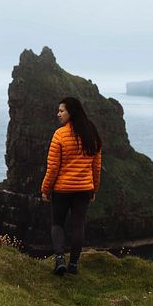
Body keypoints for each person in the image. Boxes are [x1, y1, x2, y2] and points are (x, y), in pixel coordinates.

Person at [41, 96, 102, 276]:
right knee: (78, 226)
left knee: (57, 224)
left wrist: (45, 189)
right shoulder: (91, 133)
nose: (57, 114)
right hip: (84, 189)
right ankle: (73, 264)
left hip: (62, 189)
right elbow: (96, 167)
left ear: (71, 112)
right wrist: (94, 189)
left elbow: (53, 167)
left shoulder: (60, 135)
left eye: (61, 111)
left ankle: (60, 259)